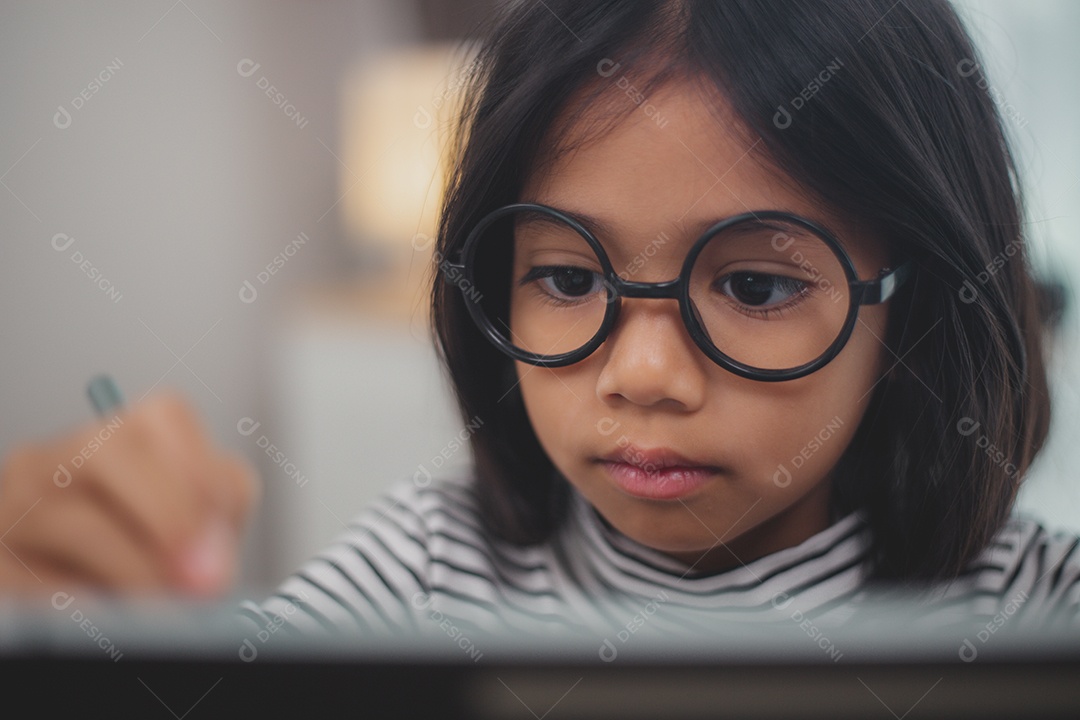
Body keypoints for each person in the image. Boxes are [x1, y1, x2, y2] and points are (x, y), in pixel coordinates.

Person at [2, 0, 1077, 642]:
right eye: (566, 279)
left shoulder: (1040, 607)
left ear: (915, 305)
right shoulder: (423, 572)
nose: (641, 375)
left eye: (754, 289)